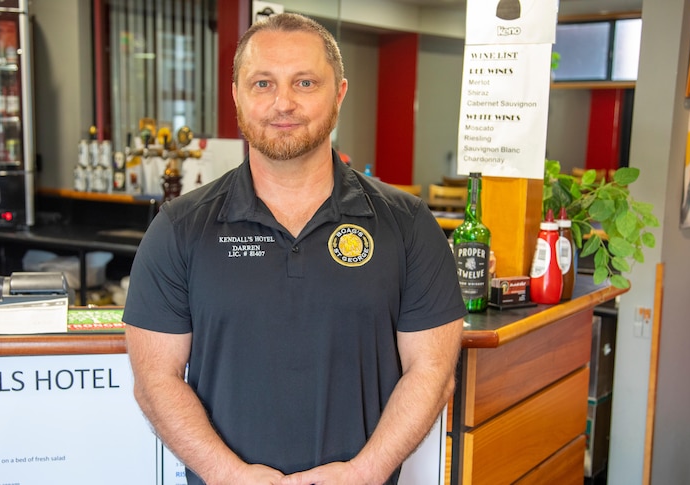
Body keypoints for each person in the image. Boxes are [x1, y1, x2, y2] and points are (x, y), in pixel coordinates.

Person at [123, 12, 465, 485]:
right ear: (237, 94)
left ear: (339, 93)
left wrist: (366, 472)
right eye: (262, 84)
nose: (283, 102)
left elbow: (432, 372)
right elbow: (155, 381)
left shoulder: (408, 225)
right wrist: (230, 476)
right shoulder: (179, 228)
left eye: (305, 82)